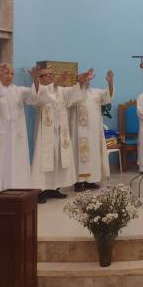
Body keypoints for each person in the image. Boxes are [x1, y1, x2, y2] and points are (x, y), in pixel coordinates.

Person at [0, 63, 38, 206]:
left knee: (16, 166)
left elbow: (33, 98)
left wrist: (36, 80)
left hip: (16, 138)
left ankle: (16, 199)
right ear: (0, 74)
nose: (9, 76)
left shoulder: (18, 90)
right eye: (6, 73)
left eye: (12, 74)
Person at [31, 67, 92, 202]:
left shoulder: (61, 90)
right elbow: (38, 99)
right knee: (43, 160)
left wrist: (81, 82)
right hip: (45, 133)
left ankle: (54, 188)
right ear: (40, 78)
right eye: (48, 75)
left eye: (52, 74)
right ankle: (39, 190)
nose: (51, 77)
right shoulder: (38, 89)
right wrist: (56, 83)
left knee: (58, 158)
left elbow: (74, 94)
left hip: (60, 131)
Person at [70, 70, 114, 192]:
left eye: (88, 79)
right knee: (78, 155)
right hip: (79, 132)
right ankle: (78, 182)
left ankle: (91, 180)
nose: (86, 81)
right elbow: (70, 103)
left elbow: (108, 98)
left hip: (94, 131)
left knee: (94, 155)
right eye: (84, 79)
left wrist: (110, 83)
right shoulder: (74, 92)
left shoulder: (96, 92)